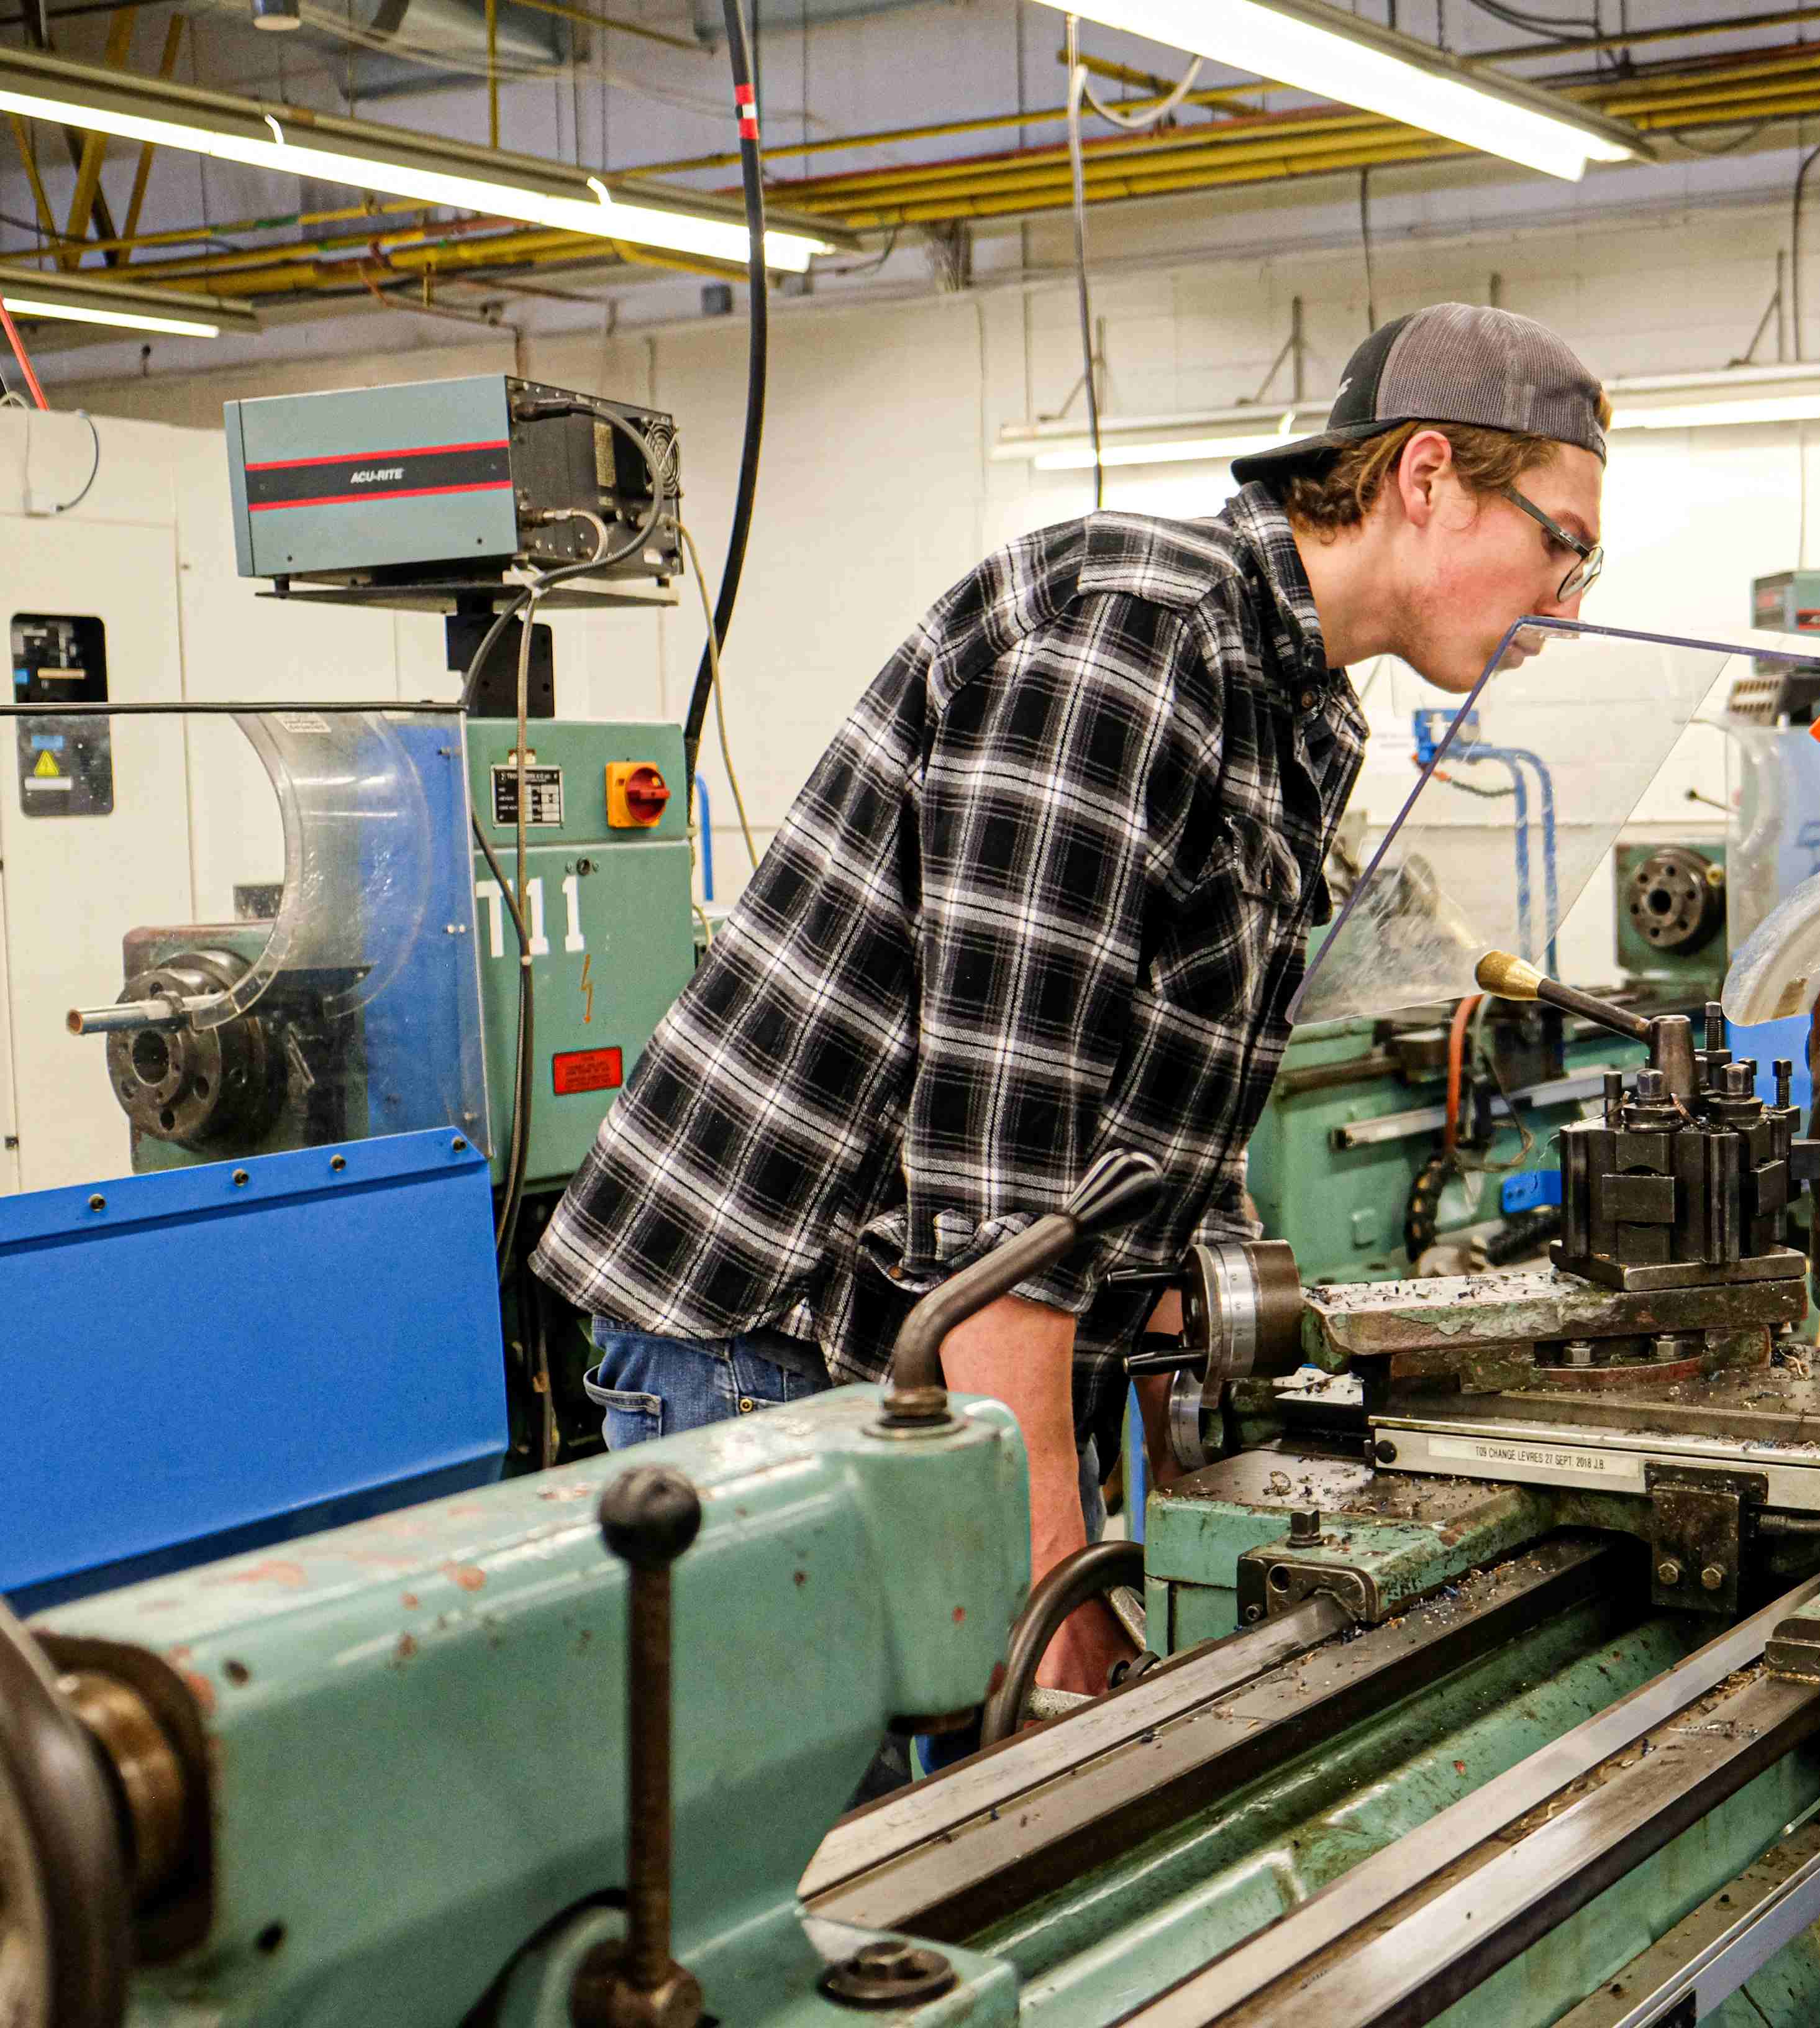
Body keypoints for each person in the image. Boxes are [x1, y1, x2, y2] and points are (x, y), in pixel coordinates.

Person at [531, 302, 1611, 1693]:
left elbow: (1175, 1130)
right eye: (1562, 543)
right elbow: (1004, 1176)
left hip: (939, 1324)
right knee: (834, 1850)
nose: (1573, 605)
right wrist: (1057, 1579)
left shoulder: (1305, 710)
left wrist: (1207, 1453)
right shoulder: (1130, 640)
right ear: (1423, 480)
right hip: (779, 1331)